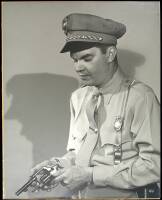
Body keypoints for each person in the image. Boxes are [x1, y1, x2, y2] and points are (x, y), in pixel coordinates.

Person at [32, 13, 160, 198]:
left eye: (86, 58)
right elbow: (77, 153)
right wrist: (57, 165)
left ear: (110, 54)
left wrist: (91, 175)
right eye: (75, 60)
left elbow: (154, 166)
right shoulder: (78, 97)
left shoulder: (140, 98)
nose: (78, 67)